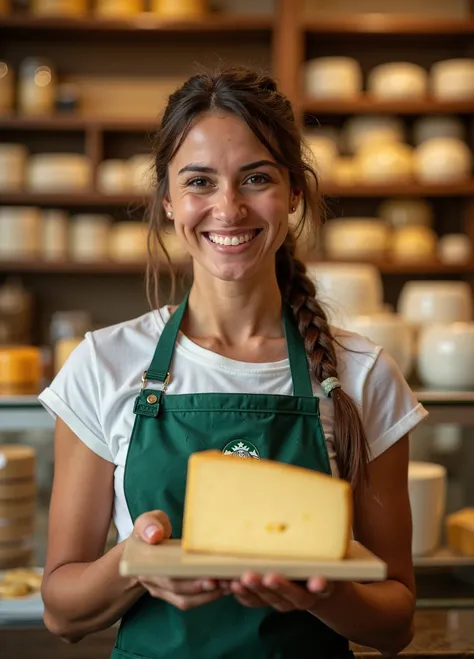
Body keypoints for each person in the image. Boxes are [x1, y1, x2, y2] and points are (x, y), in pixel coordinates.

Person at [39, 67, 428, 659]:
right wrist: (137, 562)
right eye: (199, 181)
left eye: (255, 178)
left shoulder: (364, 374)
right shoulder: (103, 363)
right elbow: (62, 612)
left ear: (294, 192)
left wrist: (314, 594)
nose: (228, 207)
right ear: (168, 200)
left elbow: (395, 622)